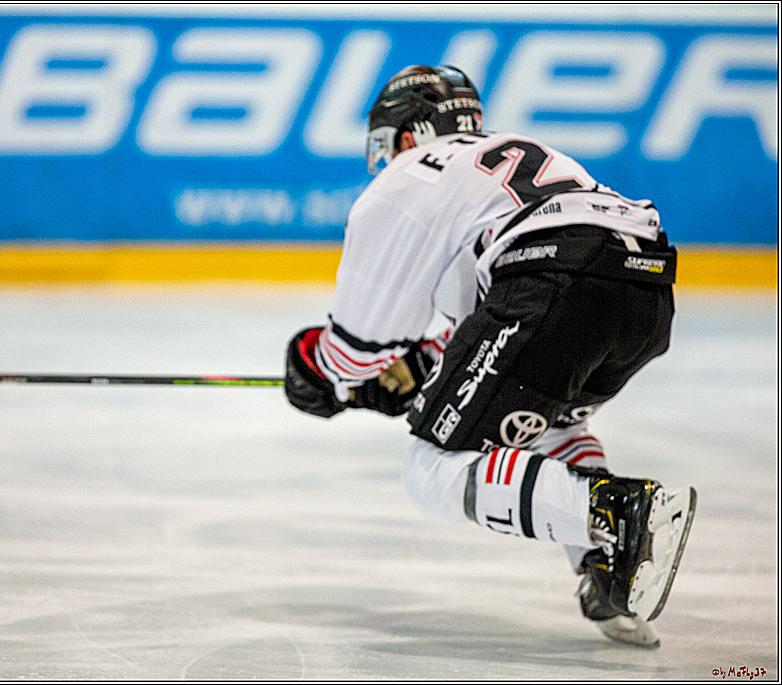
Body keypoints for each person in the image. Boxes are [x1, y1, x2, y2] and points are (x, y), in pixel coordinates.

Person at [283, 65, 697, 648]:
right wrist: (415, 373)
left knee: (432, 469)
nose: (384, 157)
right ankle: (607, 567)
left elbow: (358, 348)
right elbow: (470, 333)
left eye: (386, 142)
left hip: (554, 278)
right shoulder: (512, 157)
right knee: (550, 424)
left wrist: (314, 369)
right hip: (644, 290)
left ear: (408, 134)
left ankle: (614, 511)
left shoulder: (411, 176)